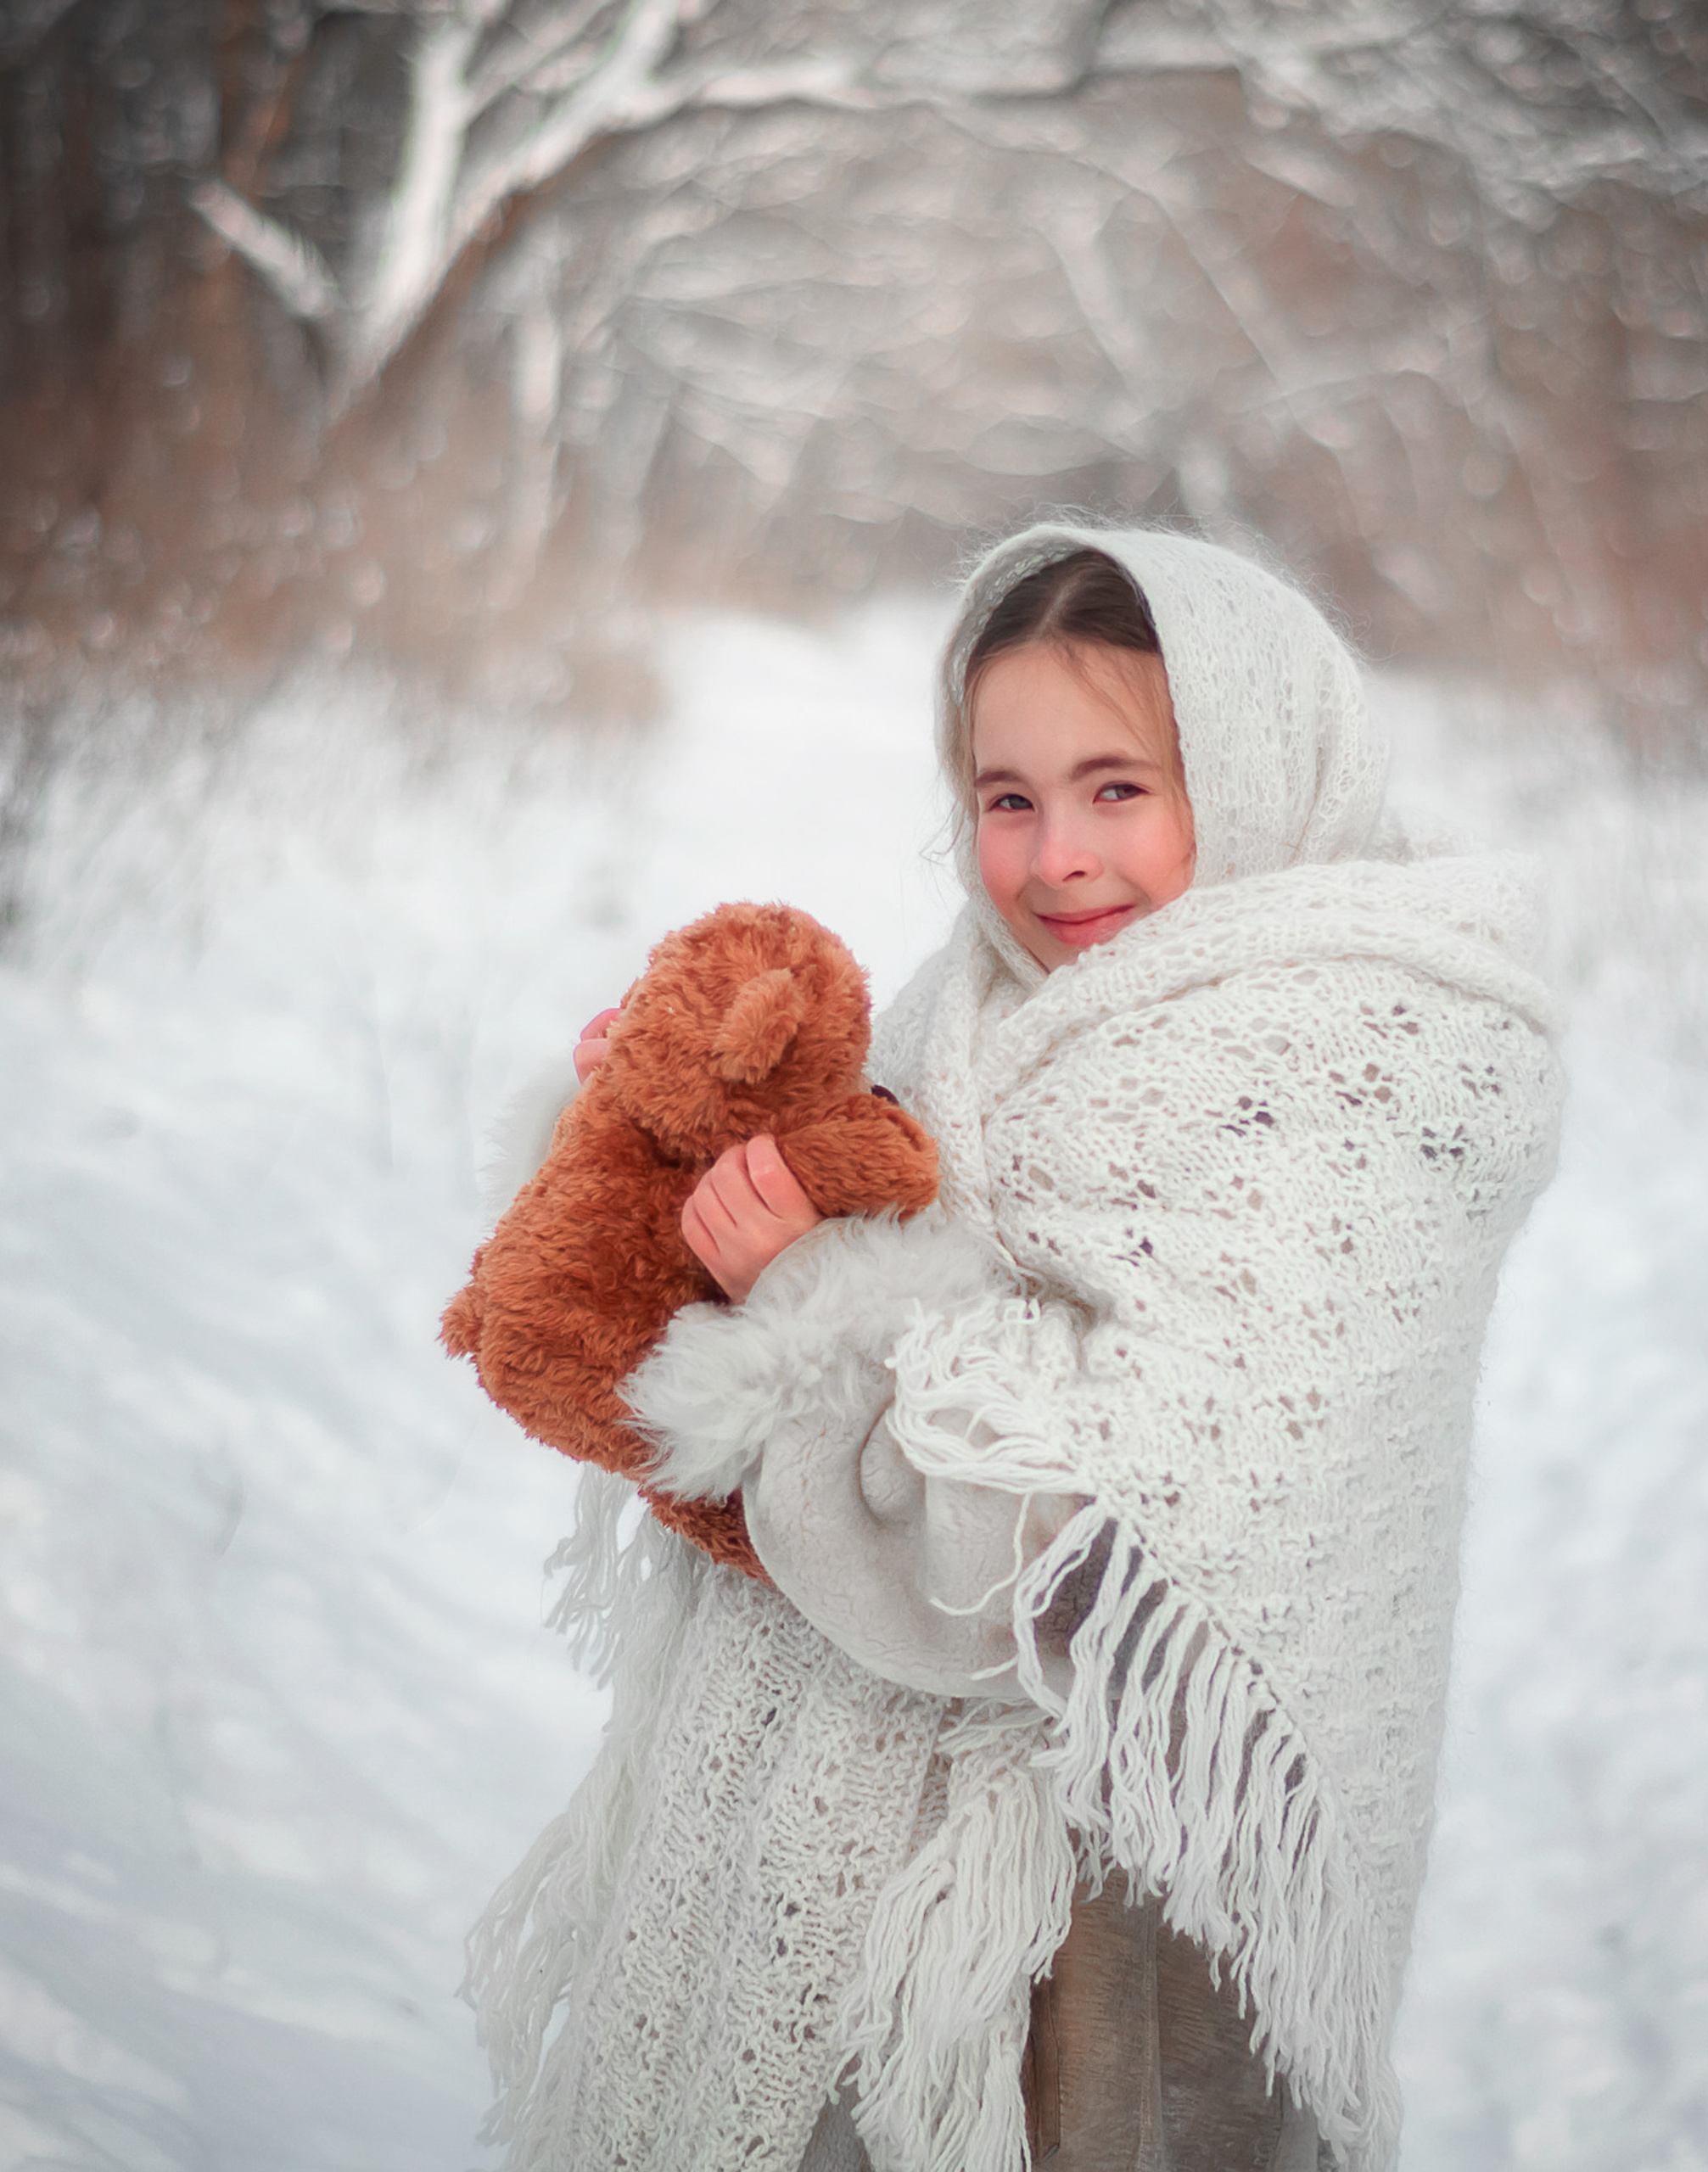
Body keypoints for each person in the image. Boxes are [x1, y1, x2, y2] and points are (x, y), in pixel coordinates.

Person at [466, 524, 1564, 2172]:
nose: (1057, 857)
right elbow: (863, 1216)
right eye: (1006, 795)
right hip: (857, 1910)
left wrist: (816, 1291)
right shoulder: (969, 1006)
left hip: (1115, 1948)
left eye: (1121, 787)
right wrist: (681, 1152)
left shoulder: (1369, 1081)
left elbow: (1052, 1557)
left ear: (1258, 768)